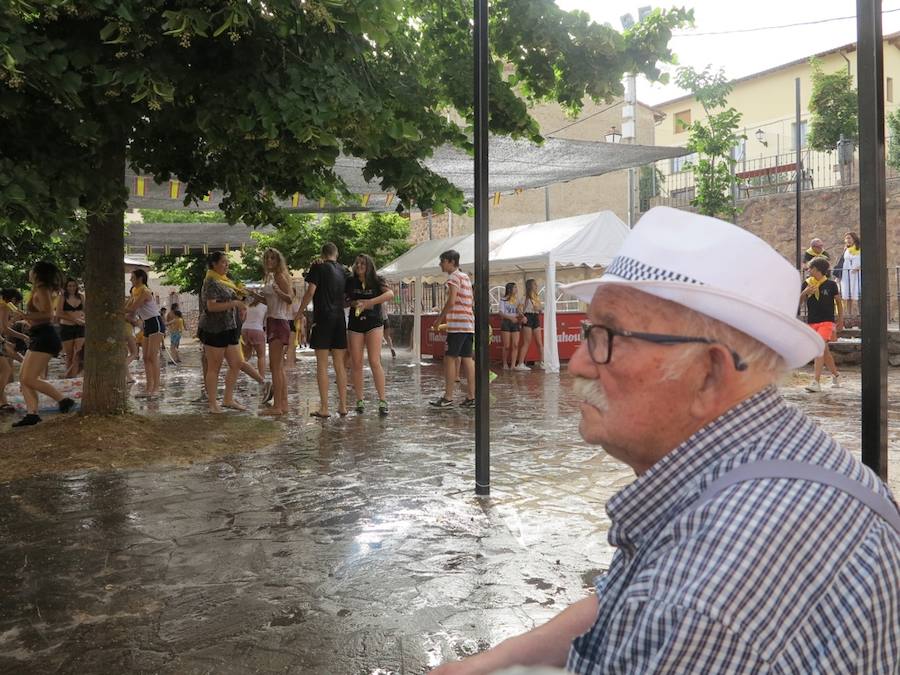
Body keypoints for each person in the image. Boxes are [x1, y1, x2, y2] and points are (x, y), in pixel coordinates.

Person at [432, 207, 899, 675]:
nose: (577, 366)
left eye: (605, 337)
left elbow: (670, 606)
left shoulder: (700, 594)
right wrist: (498, 659)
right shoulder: (782, 450)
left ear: (709, 374)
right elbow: (618, 599)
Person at [8, 262, 75, 427]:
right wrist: (26, 318)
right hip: (39, 335)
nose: (29, 272)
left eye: (32, 270)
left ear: (37, 273)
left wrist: (25, 314)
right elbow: (40, 314)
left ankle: (63, 400)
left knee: (29, 378)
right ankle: (32, 414)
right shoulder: (38, 289)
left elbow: (48, 315)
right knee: (24, 378)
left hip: (46, 336)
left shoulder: (43, 289)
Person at [300, 242, 351, 418]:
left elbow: (310, 292)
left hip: (323, 319)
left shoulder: (318, 268)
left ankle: (324, 408)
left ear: (323, 254)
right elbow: (348, 296)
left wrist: (299, 312)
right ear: (336, 254)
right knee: (340, 364)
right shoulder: (344, 271)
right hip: (339, 319)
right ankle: (343, 406)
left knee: (322, 364)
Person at [197, 251, 247, 413]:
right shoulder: (211, 281)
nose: (227, 265)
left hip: (229, 327)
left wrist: (241, 302)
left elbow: (234, 299)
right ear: (214, 264)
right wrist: (234, 304)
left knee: (237, 363)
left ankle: (228, 398)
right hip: (214, 329)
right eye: (224, 262)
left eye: (227, 262)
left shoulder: (225, 281)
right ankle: (213, 403)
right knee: (214, 367)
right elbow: (211, 307)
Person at [346, 253, 394, 415]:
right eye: (357, 263)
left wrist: (370, 302)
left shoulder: (377, 279)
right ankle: (359, 400)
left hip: (374, 323)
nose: (359, 266)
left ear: (369, 266)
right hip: (355, 324)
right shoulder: (350, 281)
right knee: (356, 363)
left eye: (363, 263)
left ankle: (382, 400)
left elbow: (390, 294)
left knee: (374, 360)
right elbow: (344, 299)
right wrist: (353, 303)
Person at [429, 250, 475, 408]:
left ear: (450, 261)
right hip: (468, 325)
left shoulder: (454, 277)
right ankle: (471, 396)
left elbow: (451, 301)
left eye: (442, 261)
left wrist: (439, 320)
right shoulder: (465, 277)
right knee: (467, 360)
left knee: (449, 359)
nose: (440, 264)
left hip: (457, 326)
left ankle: (448, 397)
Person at [801, 257, 843, 393]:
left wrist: (841, 319)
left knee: (818, 347)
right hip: (812, 321)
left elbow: (838, 302)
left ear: (817, 269)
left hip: (827, 321)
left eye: (810, 268)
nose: (808, 270)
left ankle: (816, 382)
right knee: (824, 351)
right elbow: (799, 301)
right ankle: (836, 375)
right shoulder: (807, 283)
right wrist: (805, 292)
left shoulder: (831, 285)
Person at [260, 248, 294, 416]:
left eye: (272, 258)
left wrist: (279, 292)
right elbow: (270, 301)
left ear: (278, 260)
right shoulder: (272, 276)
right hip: (274, 320)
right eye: (267, 258)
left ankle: (278, 407)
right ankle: (283, 404)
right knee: (278, 367)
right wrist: (254, 296)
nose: (269, 261)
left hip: (278, 322)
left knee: (275, 367)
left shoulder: (280, 276)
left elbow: (289, 297)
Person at [124, 269, 163, 398]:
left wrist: (114, 307)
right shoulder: (135, 291)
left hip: (155, 323)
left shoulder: (145, 291)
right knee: (145, 358)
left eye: (133, 277)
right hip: (146, 323)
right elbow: (129, 310)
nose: (130, 280)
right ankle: (148, 389)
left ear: (140, 278)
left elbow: (132, 308)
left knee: (152, 356)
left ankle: (156, 389)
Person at [0, 289, 27, 414]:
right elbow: (5, 328)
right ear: (13, 300)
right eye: (17, 303)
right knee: (6, 370)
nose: (15, 306)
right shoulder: (4, 306)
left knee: (5, 369)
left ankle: (4, 403)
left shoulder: (3, 305)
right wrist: (24, 337)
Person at [58, 278, 85, 377]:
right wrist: (74, 320)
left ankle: (74, 375)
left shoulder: (81, 297)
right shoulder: (62, 297)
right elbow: (59, 314)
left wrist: (83, 320)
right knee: (69, 355)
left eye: (73, 286)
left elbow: (85, 311)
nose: (72, 288)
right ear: (66, 287)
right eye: (69, 286)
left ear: (76, 286)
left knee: (78, 354)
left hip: (80, 327)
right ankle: (68, 376)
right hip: (66, 327)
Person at [516, 278, 543, 370]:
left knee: (539, 342)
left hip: (535, 317)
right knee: (526, 342)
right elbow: (519, 309)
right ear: (530, 286)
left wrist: (539, 309)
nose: (536, 286)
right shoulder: (525, 298)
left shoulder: (537, 297)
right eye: (535, 284)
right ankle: (520, 364)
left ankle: (542, 362)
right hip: (528, 317)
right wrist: (523, 316)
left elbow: (540, 309)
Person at [241, 296, 268, 382]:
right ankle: (262, 379)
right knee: (261, 356)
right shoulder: (266, 307)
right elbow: (265, 322)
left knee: (245, 357)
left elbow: (243, 318)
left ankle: (236, 373)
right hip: (257, 329)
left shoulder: (249, 306)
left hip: (244, 329)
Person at [498, 282, 524, 371]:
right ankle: (505, 363)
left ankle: (513, 365)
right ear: (509, 289)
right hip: (506, 322)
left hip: (515, 322)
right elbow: (501, 313)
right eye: (515, 288)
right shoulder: (503, 299)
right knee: (507, 345)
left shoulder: (517, 299)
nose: (516, 289)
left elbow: (519, 311)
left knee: (515, 344)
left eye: (516, 288)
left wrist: (522, 316)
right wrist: (510, 318)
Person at [839, 231, 861, 320]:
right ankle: (848, 315)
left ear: (854, 239)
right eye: (846, 238)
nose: (847, 240)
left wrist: (858, 267)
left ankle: (856, 315)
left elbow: (864, 260)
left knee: (854, 294)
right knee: (847, 295)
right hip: (846, 273)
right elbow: (841, 262)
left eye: (849, 238)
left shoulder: (859, 249)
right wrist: (838, 276)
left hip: (856, 274)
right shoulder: (846, 250)